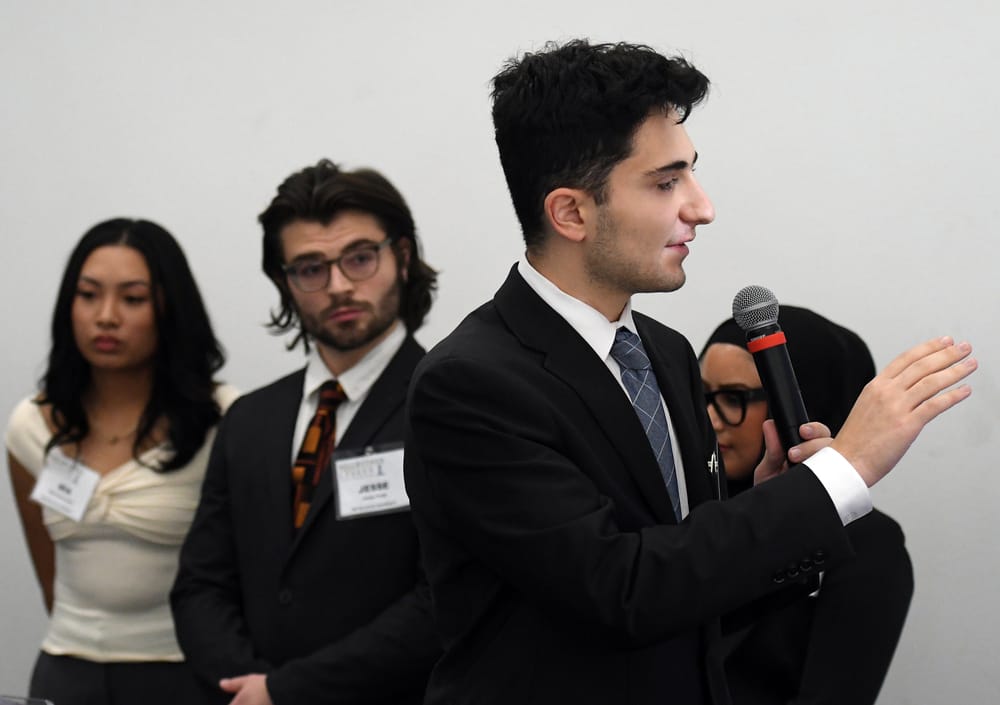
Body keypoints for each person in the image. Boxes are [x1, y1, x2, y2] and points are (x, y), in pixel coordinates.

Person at [402, 39, 976, 705]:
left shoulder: (666, 351)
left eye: (691, 174)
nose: (702, 207)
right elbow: (621, 589)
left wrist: (772, 500)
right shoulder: (472, 384)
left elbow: (692, 593)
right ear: (571, 212)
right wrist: (841, 470)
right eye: (666, 182)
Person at [171, 159, 441, 705]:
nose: (339, 286)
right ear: (285, 283)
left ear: (403, 257)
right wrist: (248, 688)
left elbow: (443, 598)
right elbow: (201, 586)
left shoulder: (451, 407)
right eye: (310, 268)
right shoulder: (248, 419)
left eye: (360, 258)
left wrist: (288, 692)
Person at [5, 218, 237, 705]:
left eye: (132, 299)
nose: (105, 316)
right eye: (88, 295)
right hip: (66, 671)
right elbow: (48, 572)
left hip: (185, 674)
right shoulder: (30, 426)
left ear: (170, 308)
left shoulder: (225, 420)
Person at [701, 305, 914, 704]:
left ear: (799, 403)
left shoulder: (866, 544)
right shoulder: (686, 512)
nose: (711, 418)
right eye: (701, 396)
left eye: (733, 398)